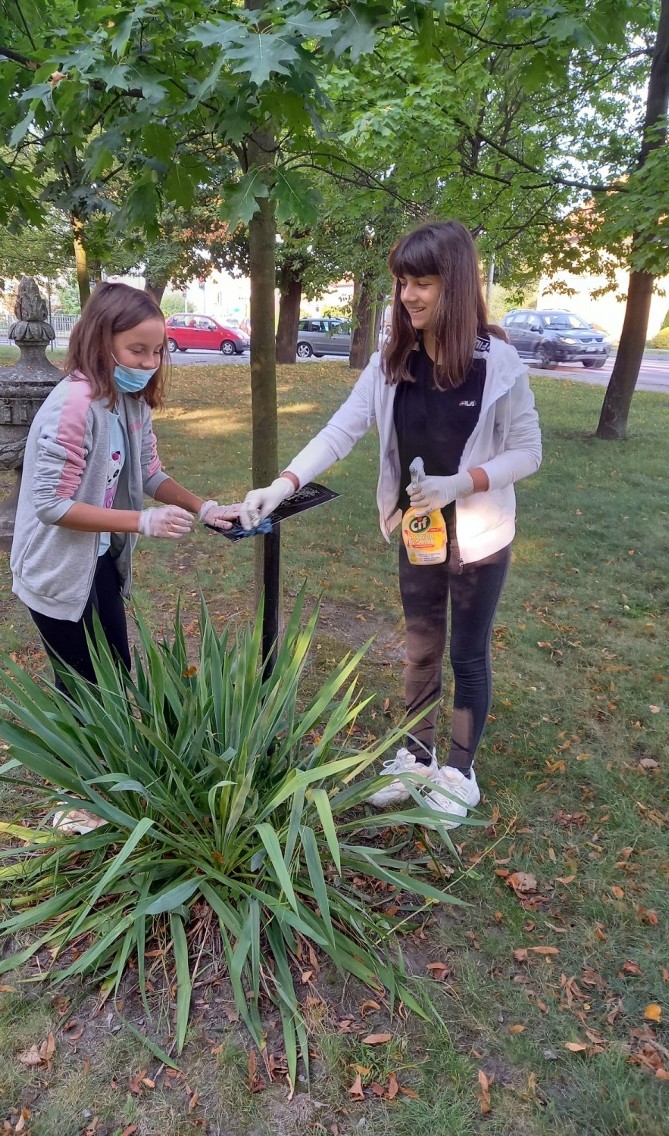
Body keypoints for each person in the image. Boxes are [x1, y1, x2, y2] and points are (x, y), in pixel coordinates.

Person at [240, 221, 542, 826]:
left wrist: (461, 484)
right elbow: (341, 430)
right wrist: (283, 484)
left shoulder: (497, 362)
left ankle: (459, 769)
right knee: (421, 646)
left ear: (454, 286)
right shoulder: (391, 362)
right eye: (403, 282)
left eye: (423, 282)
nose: (408, 295)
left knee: (468, 653)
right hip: (419, 532)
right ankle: (416, 755)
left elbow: (529, 451)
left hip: (479, 533)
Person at [11, 281, 239, 689]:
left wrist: (204, 507)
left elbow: (149, 472)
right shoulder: (74, 407)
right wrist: (141, 522)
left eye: (157, 351)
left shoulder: (129, 400)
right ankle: (75, 756)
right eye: (138, 350)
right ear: (101, 340)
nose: (150, 363)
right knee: (84, 691)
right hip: (57, 570)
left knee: (116, 673)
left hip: (97, 560)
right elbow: (51, 505)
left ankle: (104, 753)